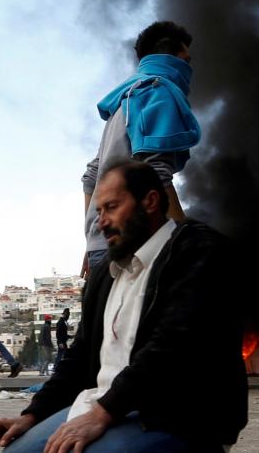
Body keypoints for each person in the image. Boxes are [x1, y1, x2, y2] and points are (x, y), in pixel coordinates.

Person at [0, 160, 247, 453]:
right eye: (98, 210)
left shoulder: (199, 251)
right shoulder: (106, 272)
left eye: (112, 207)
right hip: (110, 409)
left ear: (150, 201)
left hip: (175, 417)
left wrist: (103, 414)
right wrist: (33, 414)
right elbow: (79, 356)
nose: (101, 221)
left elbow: (174, 346)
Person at [81, 21, 201, 277]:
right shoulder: (157, 92)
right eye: (186, 60)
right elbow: (156, 172)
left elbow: (91, 177)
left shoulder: (124, 101)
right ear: (169, 58)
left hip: (104, 242)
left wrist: (95, 236)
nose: (189, 69)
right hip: (136, 243)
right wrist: (186, 241)